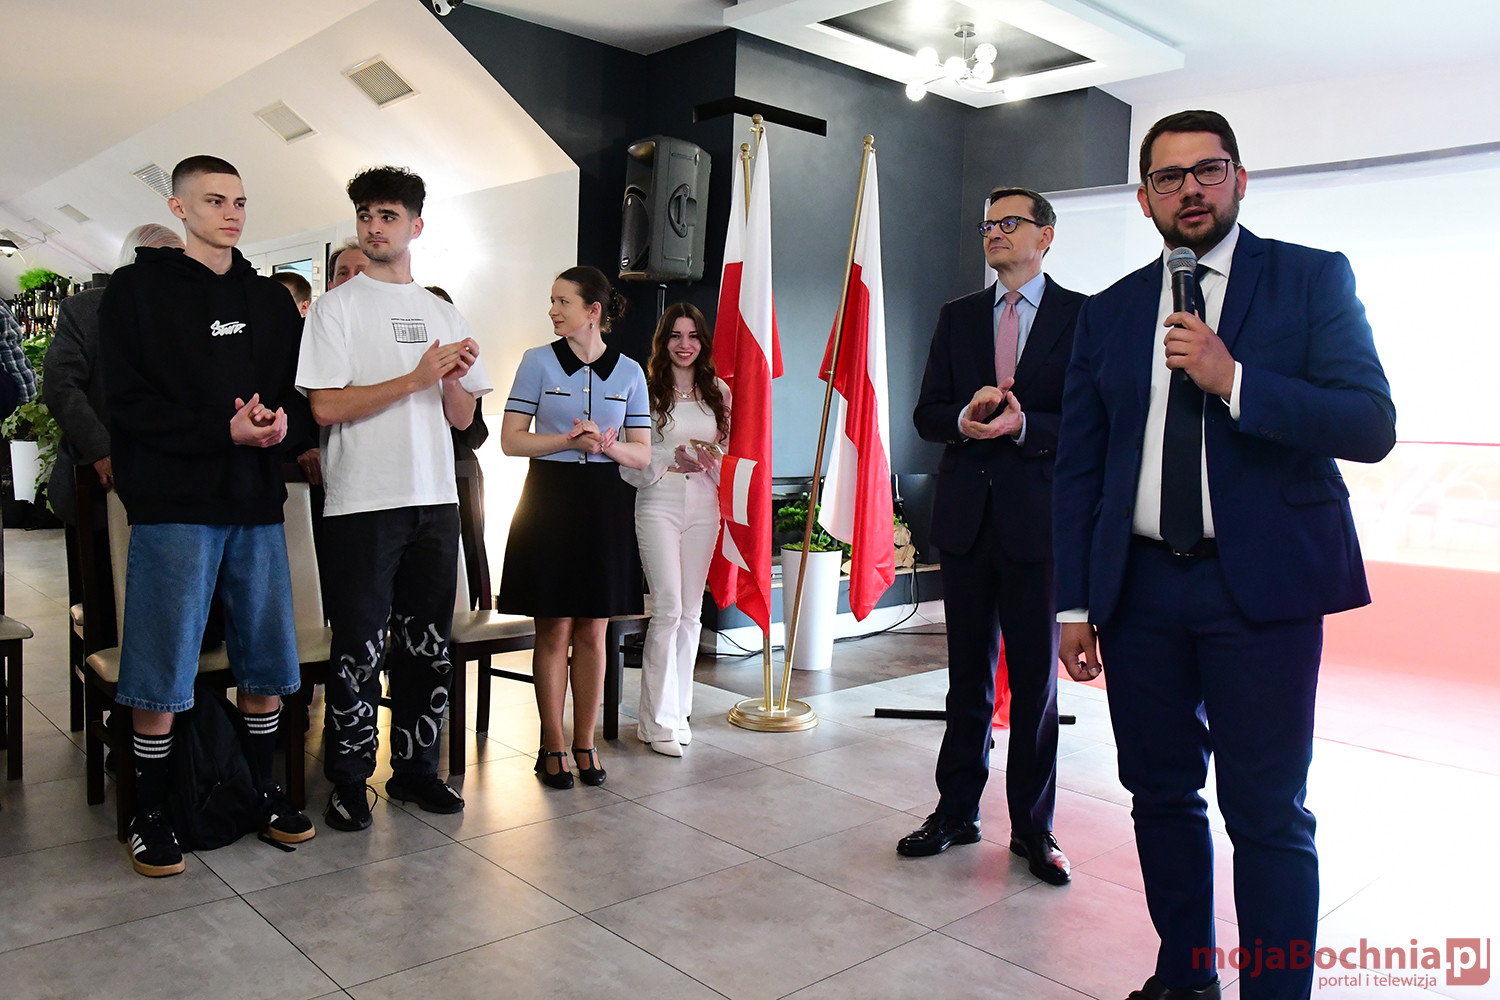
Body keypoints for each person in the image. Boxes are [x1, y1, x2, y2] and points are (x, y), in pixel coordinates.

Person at [1053, 111, 1396, 1000]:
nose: (1190, 191)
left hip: (1263, 593)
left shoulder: (1311, 279)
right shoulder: (1108, 311)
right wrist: (1074, 604)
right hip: (1138, 591)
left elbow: (1370, 424)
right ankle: (1185, 976)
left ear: (1241, 179)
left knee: (1267, 812)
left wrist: (1234, 378)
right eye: (1168, 178)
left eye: (1208, 171)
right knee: (1160, 795)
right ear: (1144, 199)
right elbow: (1080, 468)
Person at [99, 155, 316, 876]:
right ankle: (151, 811)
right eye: (215, 200)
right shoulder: (135, 291)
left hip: (254, 500)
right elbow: (126, 405)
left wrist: (281, 428)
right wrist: (219, 431)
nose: (232, 214)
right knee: (162, 665)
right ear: (179, 207)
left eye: (240, 202)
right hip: (173, 502)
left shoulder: (269, 300)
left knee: (266, 657)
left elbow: (298, 398)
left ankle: (263, 793)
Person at [297, 165, 491, 832]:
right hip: (361, 500)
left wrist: (452, 380)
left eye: (387, 216)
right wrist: (413, 378)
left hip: (434, 498)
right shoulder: (336, 308)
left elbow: (462, 418)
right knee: (358, 646)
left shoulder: (443, 312)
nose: (374, 228)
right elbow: (325, 406)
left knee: (427, 644)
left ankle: (415, 771)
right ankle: (349, 780)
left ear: (416, 226)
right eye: (366, 216)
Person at [903, 188, 1084, 886]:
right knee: (966, 682)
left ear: (1046, 235)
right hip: (967, 522)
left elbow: (1093, 420)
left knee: (1035, 685)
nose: (994, 233)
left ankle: (1034, 829)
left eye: (1010, 222)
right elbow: (927, 413)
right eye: (987, 224)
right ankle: (956, 812)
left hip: (1039, 525)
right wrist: (965, 418)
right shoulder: (958, 317)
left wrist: (1026, 424)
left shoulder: (1081, 316)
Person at [497, 266, 650, 788]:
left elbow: (642, 454)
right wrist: (567, 440)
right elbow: (511, 440)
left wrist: (606, 445)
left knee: (594, 627)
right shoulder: (536, 362)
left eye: (563, 301)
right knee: (554, 626)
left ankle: (585, 743)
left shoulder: (629, 372)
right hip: (550, 500)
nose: (553, 310)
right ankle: (552, 744)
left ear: (593, 311)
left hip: (605, 505)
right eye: (552, 300)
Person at [622, 302, 728, 757]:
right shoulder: (645, 391)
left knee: (691, 613)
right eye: (676, 336)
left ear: (703, 342)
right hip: (658, 501)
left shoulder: (718, 391)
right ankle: (656, 722)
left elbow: (726, 452)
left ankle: (678, 712)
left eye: (693, 336)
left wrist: (711, 459)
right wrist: (670, 459)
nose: (685, 345)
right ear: (663, 341)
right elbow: (630, 459)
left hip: (705, 504)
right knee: (667, 610)